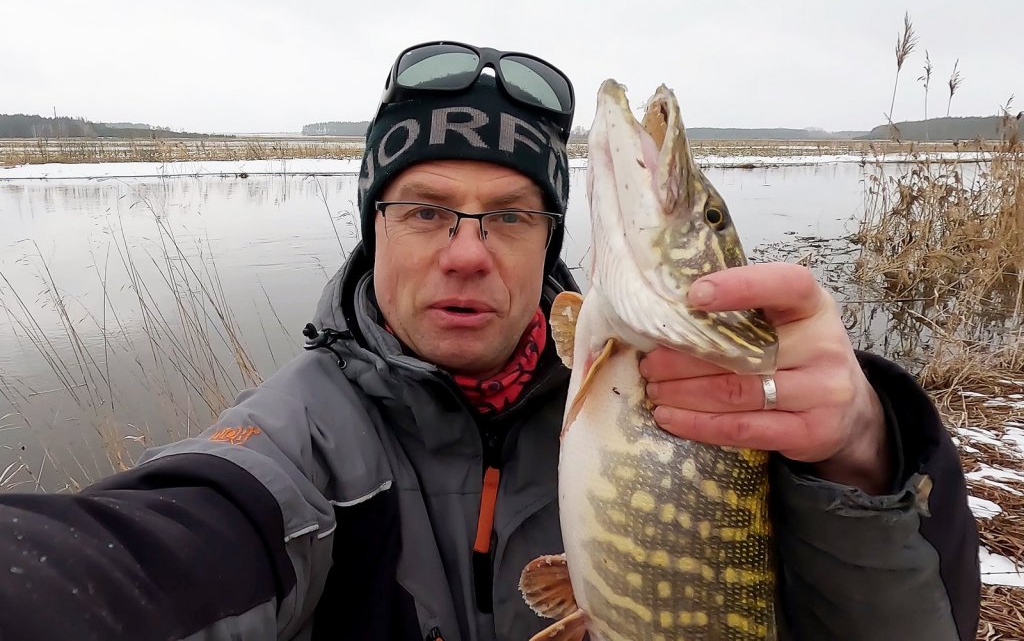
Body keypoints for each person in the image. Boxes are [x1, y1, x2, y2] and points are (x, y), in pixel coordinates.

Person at [0, 41, 978, 641]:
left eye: (509, 217)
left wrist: (860, 458)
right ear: (372, 227)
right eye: (426, 211)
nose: (467, 255)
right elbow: (148, 556)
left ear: (552, 236)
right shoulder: (303, 439)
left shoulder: (718, 408)